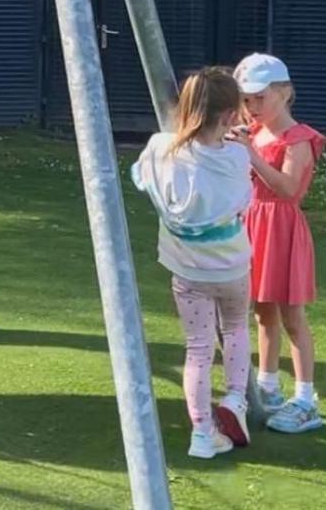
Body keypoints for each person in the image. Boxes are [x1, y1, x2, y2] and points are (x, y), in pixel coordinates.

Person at [129, 67, 254, 460]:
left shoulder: (159, 148)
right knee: (235, 329)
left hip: (188, 271)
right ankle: (235, 400)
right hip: (232, 266)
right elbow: (243, 199)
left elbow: (139, 177)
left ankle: (203, 432)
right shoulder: (235, 156)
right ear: (231, 116)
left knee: (198, 348)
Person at [233, 52, 326, 435]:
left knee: (292, 316)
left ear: (284, 92)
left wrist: (251, 156)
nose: (252, 106)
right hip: (252, 224)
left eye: (260, 97)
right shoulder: (251, 134)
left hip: (283, 228)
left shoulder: (298, 138)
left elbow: (288, 189)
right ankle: (269, 387)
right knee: (262, 311)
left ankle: (306, 398)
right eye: (246, 99)